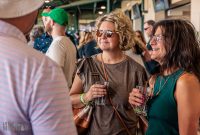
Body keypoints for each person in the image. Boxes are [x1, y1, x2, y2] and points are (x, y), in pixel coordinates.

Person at [0, 0, 77, 135]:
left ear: (52, 22)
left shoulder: (48, 61)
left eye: (46, 19)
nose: (44, 21)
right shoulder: (41, 66)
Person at [70, 9, 147, 135]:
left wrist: (139, 105)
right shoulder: (86, 65)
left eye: (109, 33)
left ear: (122, 35)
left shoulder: (136, 70)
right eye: (100, 32)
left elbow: (142, 112)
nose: (103, 37)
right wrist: (87, 96)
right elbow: (70, 99)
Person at [129, 19, 200, 135]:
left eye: (158, 38)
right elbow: (156, 125)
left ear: (176, 42)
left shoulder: (185, 81)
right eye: (152, 37)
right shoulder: (155, 79)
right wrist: (137, 107)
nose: (150, 43)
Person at [43, 8, 77, 88]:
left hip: (56, 95)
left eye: (47, 20)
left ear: (52, 22)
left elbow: (54, 76)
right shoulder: (69, 42)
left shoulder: (58, 44)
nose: (45, 23)